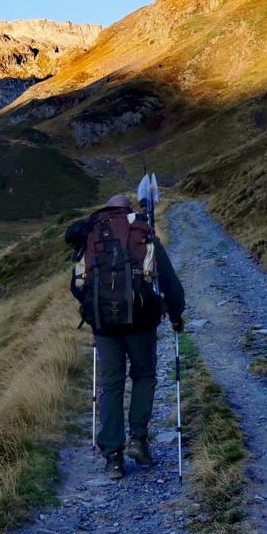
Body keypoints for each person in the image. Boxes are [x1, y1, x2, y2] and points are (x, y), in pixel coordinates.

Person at [65, 194, 185, 480]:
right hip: (142, 322)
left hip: (104, 325)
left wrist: (95, 309)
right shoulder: (142, 232)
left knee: (111, 385)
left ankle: (113, 457)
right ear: (127, 211)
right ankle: (138, 441)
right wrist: (177, 315)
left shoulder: (91, 234)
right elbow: (168, 279)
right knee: (143, 377)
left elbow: (77, 286)